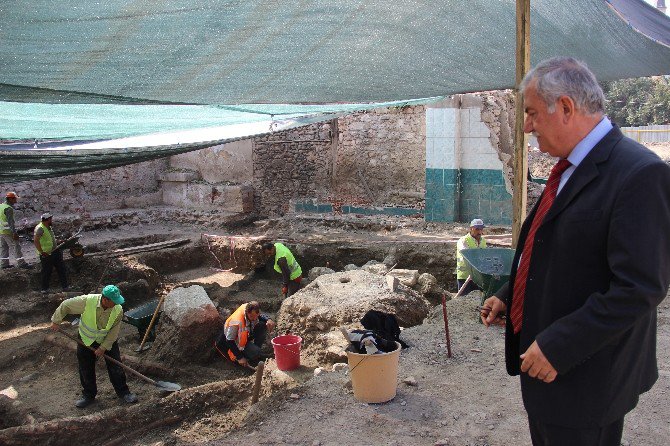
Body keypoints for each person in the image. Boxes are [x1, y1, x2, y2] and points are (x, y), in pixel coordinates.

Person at [481, 57, 670, 446]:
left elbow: (640, 287)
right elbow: (554, 247)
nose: (528, 126)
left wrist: (559, 344)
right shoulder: (567, 167)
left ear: (565, 107)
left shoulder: (638, 174)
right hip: (549, 373)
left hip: (586, 376)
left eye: (532, 113)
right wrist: (508, 293)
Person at [50, 285, 138, 408]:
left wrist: (103, 347)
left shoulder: (118, 309)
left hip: (107, 340)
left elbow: (114, 331)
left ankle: (124, 392)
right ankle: (88, 395)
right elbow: (66, 305)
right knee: (86, 368)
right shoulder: (87, 301)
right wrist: (56, 321)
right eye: (114, 301)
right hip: (86, 340)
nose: (117, 304)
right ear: (105, 299)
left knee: (116, 366)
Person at [214, 301, 275, 366]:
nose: (254, 319)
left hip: (242, 337)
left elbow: (259, 316)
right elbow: (229, 341)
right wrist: (240, 357)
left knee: (262, 325)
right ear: (247, 312)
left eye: (256, 316)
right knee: (255, 352)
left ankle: (255, 352)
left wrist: (268, 319)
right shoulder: (235, 322)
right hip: (228, 345)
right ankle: (251, 355)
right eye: (251, 316)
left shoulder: (250, 308)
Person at [34, 212, 68, 294]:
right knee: (46, 272)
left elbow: (50, 239)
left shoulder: (48, 227)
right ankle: (44, 289)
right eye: (51, 219)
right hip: (47, 254)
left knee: (61, 269)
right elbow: (36, 241)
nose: (52, 220)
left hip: (55, 251)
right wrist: (41, 252)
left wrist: (59, 242)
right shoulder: (40, 228)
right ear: (48, 219)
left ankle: (65, 286)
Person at [455, 218, 487, 294]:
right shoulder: (463, 240)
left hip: (478, 277)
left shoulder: (483, 241)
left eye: (481, 229)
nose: (479, 232)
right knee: (463, 301)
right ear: (471, 229)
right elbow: (467, 255)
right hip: (465, 276)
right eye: (477, 229)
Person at [0, 191, 31, 270]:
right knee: (16, 246)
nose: (16, 201)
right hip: (8, 231)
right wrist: (14, 233)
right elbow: (11, 223)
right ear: (10, 199)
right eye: (14, 199)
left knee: (4, 247)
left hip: (1, 231)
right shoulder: (8, 209)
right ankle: (21, 263)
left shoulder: (1, 206)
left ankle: (4, 264)